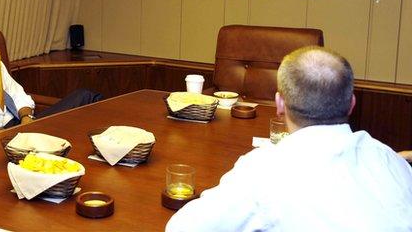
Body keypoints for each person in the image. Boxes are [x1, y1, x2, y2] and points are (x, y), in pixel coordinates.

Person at [166, 47, 412, 232]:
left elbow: (181, 229)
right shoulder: (392, 161)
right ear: (352, 104)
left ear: (279, 103)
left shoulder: (264, 170)